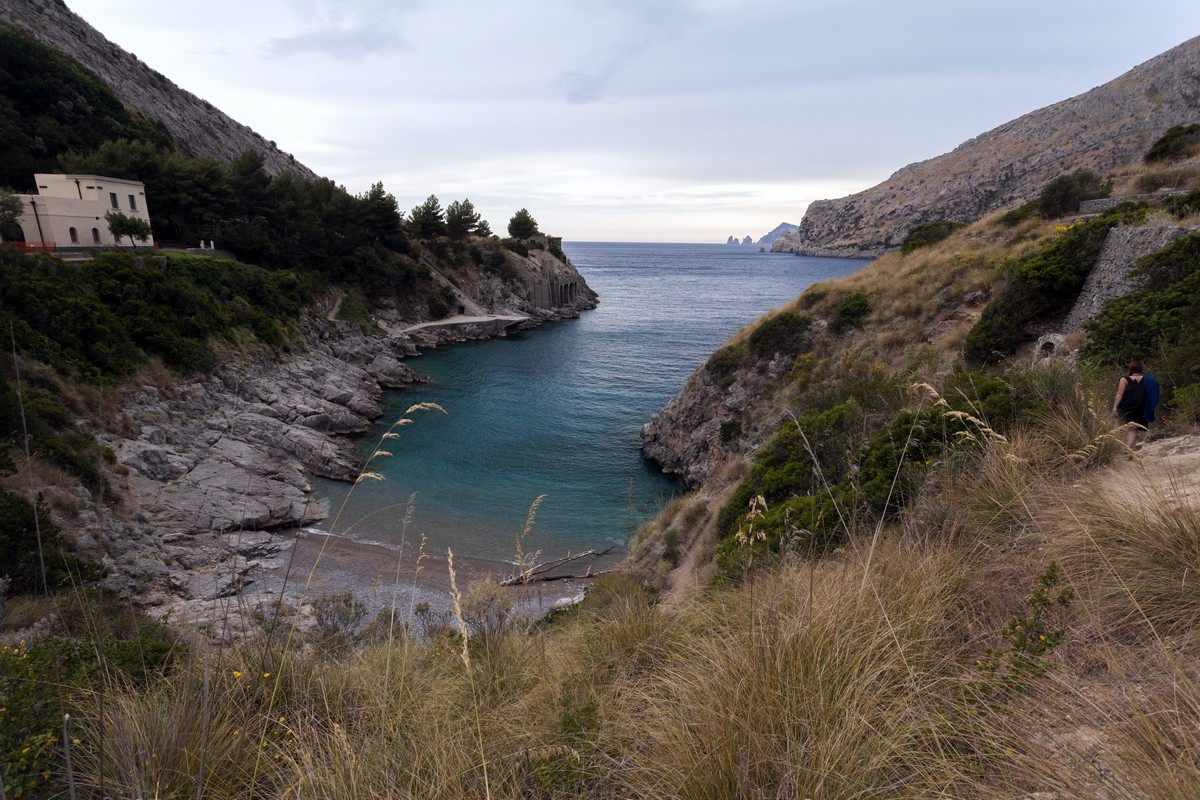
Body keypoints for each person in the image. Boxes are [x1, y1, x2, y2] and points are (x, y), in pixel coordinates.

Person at [1112, 361, 1156, 450]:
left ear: (1130, 369)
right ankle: (1128, 449)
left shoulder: (1124, 379)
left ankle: (1116, 448)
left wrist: (1115, 407)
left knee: (1118, 427)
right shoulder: (1148, 380)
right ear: (1141, 369)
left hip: (1126, 406)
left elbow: (1120, 394)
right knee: (1133, 430)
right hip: (1141, 407)